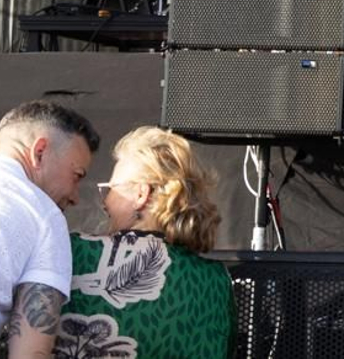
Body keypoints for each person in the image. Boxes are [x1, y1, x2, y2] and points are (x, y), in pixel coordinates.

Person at [58, 127, 233, 359]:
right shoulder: (216, 281)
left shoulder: (76, 253)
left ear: (141, 194)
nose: (105, 202)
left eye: (110, 189)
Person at [0, 100, 99, 356]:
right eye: (77, 175)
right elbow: (29, 354)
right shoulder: (44, 214)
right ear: (40, 151)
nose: (75, 196)